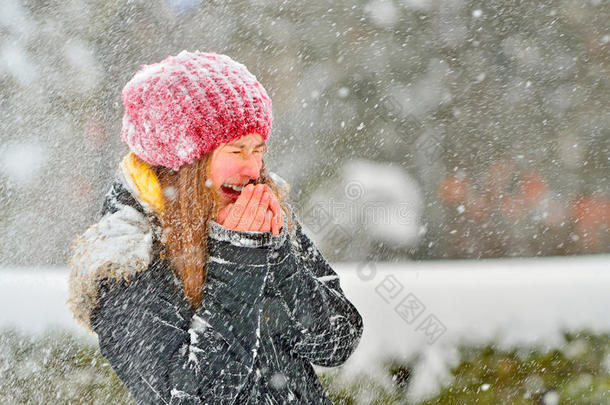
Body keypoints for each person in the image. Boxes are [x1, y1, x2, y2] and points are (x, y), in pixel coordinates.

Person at [67, 50, 363, 404]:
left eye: (259, 149)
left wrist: (279, 254)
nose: (254, 169)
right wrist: (238, 258)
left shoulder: (258, 211)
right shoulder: (124, 259)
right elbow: (195, 396)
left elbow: (337, 342)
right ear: (185, 160)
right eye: (237, 151)